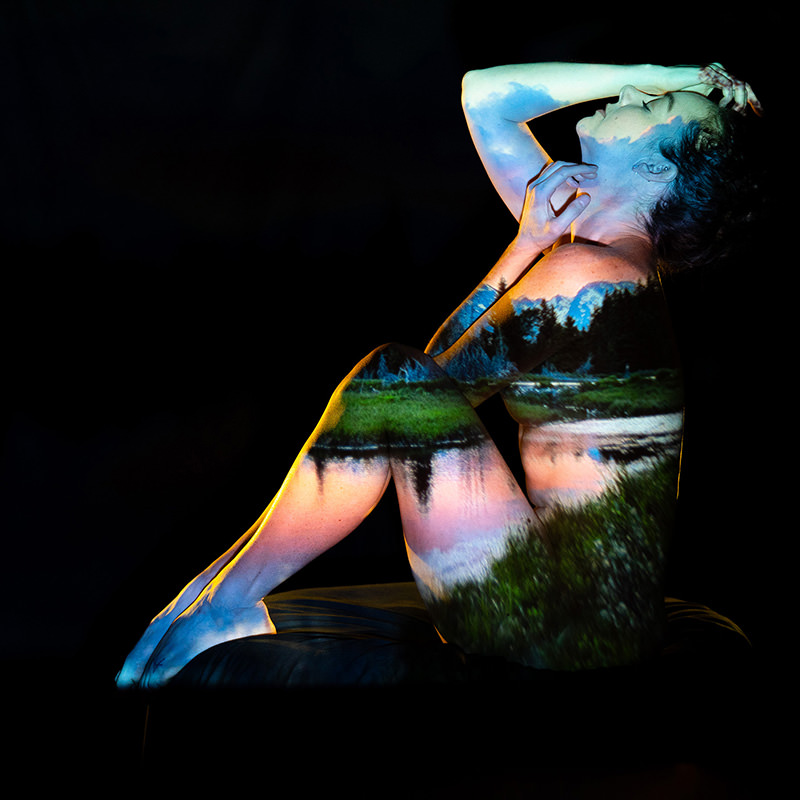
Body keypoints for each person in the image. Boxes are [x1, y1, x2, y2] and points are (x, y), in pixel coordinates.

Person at [116, 62, 761, 689]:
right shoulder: (592, 247)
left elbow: (417, 391)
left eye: (651, 105)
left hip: (565, 633)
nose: (632, 91)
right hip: (581, 622)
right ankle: (213, 598)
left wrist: (523, 247)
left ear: (653, 170)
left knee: (391, 378)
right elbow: (485, 94)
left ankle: (216, 601)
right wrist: (667, 75)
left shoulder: (587, 276)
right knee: (395, 381)